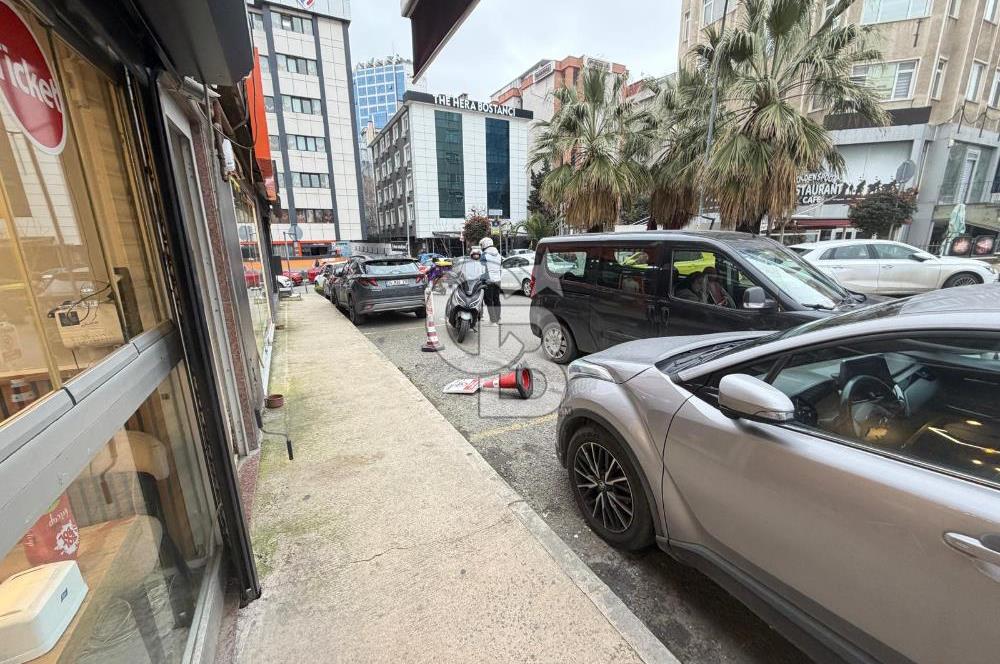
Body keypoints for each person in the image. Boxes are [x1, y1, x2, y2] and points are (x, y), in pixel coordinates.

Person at [479, 236, 502, 324]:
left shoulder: (484, 255)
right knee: (496, 300)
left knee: (489, 301)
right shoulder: (498, 255)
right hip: (498, 280)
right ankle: (498, 319)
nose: (481, 246)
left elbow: (481, 269)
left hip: (488, 281)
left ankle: (493, 320)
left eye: (482, 244)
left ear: (485, 244)